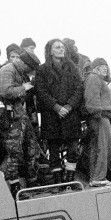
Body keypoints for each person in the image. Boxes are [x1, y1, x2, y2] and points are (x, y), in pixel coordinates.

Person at [35, 39, 83, 183]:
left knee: (73, 149)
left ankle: (70, 179)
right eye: (57, 47)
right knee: (54, 151)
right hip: (51, 116)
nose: (61, 49)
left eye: (62, 47)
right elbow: (40, 91)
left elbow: (79, 89)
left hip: (70, 114)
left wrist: (68, 106)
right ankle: (57, 181)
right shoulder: (42, 70)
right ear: (50, 50)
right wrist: (56, 107)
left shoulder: (73, 68)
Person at [0, 50, 41, 194]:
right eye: (29, 67)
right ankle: (11, 186)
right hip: (10, 118)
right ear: (24, 63)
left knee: (32, 149)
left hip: (21, 116)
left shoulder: (20, 72)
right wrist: (24, 88)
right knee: (14, 153)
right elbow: (5, 92)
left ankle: (32, 183)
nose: (30, 71)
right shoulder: (7, 71)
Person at [83, 57, 111, 187]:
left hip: (100, 117)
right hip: (100, 118)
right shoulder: (94, 78)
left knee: (98, 147)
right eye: (101, 67)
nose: (105, 69)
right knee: (104, 147)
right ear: (95, 68)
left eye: (106, 67)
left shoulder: (94, 79)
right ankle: (99, 177)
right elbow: (91, 103)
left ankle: (95, 177)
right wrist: (104, 113)